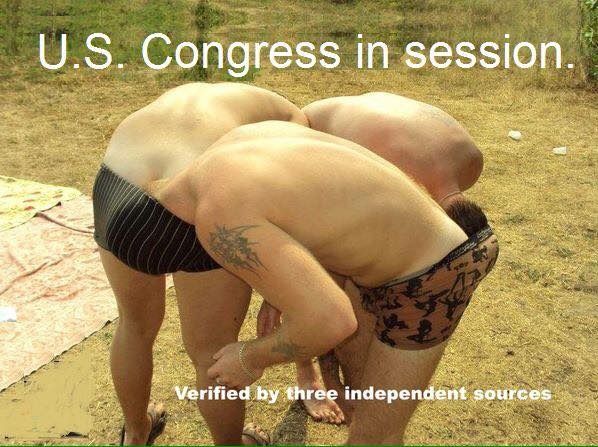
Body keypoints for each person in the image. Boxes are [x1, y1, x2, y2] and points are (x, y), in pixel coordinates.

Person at [151, 120, 499, 445]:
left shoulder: (216, 215)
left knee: (373, 438)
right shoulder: (239, 144)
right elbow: (317, 229)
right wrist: (279, 297)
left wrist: (250, 357)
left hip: (434, 273)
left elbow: (332, 320)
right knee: (361, 397)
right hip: (386, 261)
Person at [92, 82, 308, 445]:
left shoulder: (218, 98)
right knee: (212, 352)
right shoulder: (292, 120)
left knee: (134, 326)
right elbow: (288, 186)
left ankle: (135, 433)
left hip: (120, 188)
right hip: (193, 198)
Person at [260, 91, 487, 422]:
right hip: (304, 134)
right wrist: (334, 381)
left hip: (357, 124)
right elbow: (328, 277)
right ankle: (308, 377)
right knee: (314, 283)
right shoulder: (387, 181)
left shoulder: (471, 162)